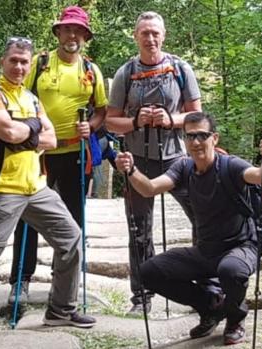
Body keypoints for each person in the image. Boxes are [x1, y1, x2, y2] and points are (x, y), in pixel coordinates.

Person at [0, 36, 96, 332]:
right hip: (1, 192)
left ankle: (61, 310)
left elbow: (50, 140)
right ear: (2, 62)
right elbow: (9, 131)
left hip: (37, 189)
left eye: (25, 61)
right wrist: (31, 129)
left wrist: (26, 133)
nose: (20, 67)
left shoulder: (30, 98)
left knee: (72, 239)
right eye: (14, 60)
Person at [115, 112, 262, 345]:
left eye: (202, 135)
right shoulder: (184, 167)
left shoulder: (230, 166)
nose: (196, 142)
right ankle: (211, 306)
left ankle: (235, 317)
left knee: (231, 270)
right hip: (206, 250)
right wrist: (131, 170)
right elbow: (149, 188)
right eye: (190, 136)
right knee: (147, 272)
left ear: (215, 138)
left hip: (241, 246)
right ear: (184, 140)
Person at [8, 5, 108, 304]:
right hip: (38, 152)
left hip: (75, 154)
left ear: (85, 36)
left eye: (78, 30)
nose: (72, 34)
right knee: (27, 216)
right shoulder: (38, 64)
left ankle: (64, 282)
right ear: (58, 32)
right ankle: (20, 282)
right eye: (67, 28)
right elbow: (18, 96)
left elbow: (101, 110)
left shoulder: (91, 70)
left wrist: (90, 126)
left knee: (72, 219)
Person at [105, 11, 202, 315]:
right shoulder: (125, 73)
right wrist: (136, 120)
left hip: (178, 159)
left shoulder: (181, 69)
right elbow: (110, 121)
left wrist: (171, 119)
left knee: (201, 220)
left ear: (164, 36)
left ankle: (202, 288)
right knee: (139, 229)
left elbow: (197, 116)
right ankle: (143, 294)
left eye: (155, 33)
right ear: (136, 36)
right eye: (144, 33)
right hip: (138, 161)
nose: (150, 38)